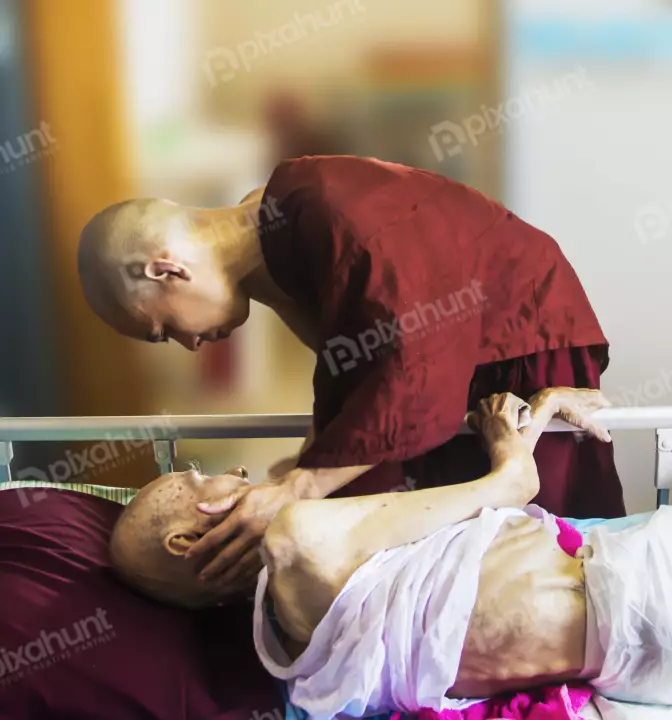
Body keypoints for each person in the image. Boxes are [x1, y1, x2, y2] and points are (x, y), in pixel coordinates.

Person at [110, 389, 672, 718]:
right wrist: (510, 437)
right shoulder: (301, 535)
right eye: (205, 482)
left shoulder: (292, 649)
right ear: (197, 538)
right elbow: (513, 494)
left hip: (661, 669)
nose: (234, 471)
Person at [77, 155, 625, 590]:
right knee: (379, 534)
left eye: (163, 329)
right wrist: (310, 465)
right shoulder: (269, 235)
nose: (189, 344)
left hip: (510, 333)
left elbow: (416, 368)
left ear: (167, 269)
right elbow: (350, 362)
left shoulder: (332, 211)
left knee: (541, 550)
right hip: (428, 363)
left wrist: (300, 485)